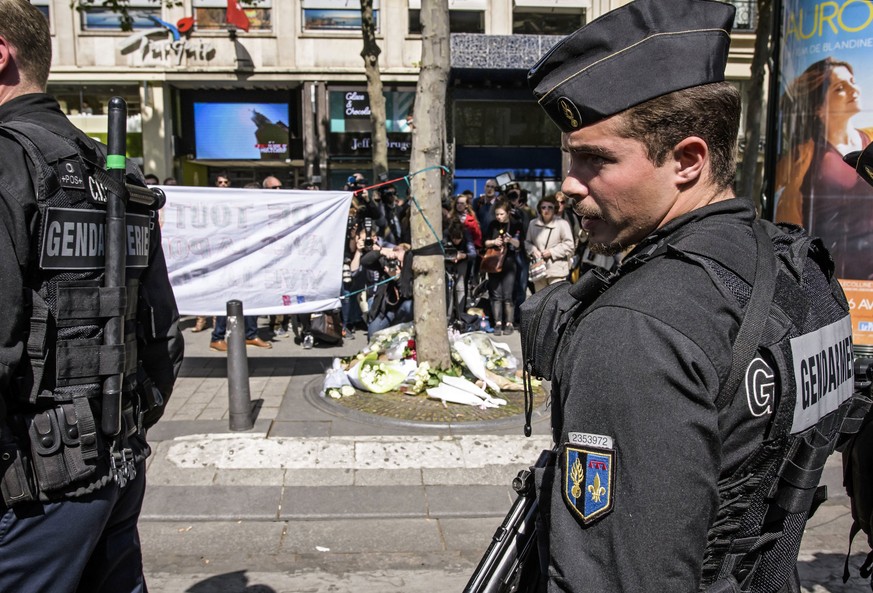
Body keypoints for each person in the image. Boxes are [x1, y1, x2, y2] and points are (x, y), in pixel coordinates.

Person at [523, 1, 858, 591]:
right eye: (572, 156)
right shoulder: (797, 271)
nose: (569, 184)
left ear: (688, 160)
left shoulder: (638, 326)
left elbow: (617, 578)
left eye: (596, 159)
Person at [0, 2, 184, 591]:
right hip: (115, 463)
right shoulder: (114, 176)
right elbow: (163, 338)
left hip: (33, 482)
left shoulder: (9, 162)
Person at [774, 57, 873, 279]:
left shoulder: (870, 138)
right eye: (840, 88)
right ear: (819, 108)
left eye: (852, 81)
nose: (853, 89)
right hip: (828, 272)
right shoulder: (804, 154)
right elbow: (779, 200)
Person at [207, 178, 271, 350]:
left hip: (252, 264)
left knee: (253, 298)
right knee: (227, 299)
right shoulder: (234, 214)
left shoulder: (259, 215)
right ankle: (217, 337)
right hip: (233, 264)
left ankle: (250, 334)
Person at [482, 198, 522, 336]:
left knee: (508, 294)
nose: (498, 217)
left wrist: (510, 240)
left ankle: (509, 322)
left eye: (501, 214)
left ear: (508, 213)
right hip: (494, 261)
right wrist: (494, 241)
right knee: (495, 293)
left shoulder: (515, 224)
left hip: (509, 261)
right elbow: (484, 242)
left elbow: (519, 244)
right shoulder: (492, 225)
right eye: (497, 214)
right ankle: (498, 322)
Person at [524, 193, 575, 292]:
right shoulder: (533, 223)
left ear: (554, 209)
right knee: (539, 301)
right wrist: (533, 250)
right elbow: (527, 242)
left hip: (557, 269)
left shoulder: (562, 223)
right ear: (539, 209)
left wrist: (552, 252)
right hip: (539, 270)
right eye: (543, 207)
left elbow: (569, 245)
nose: (546, 210)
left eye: (550, 207)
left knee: (555, 299)